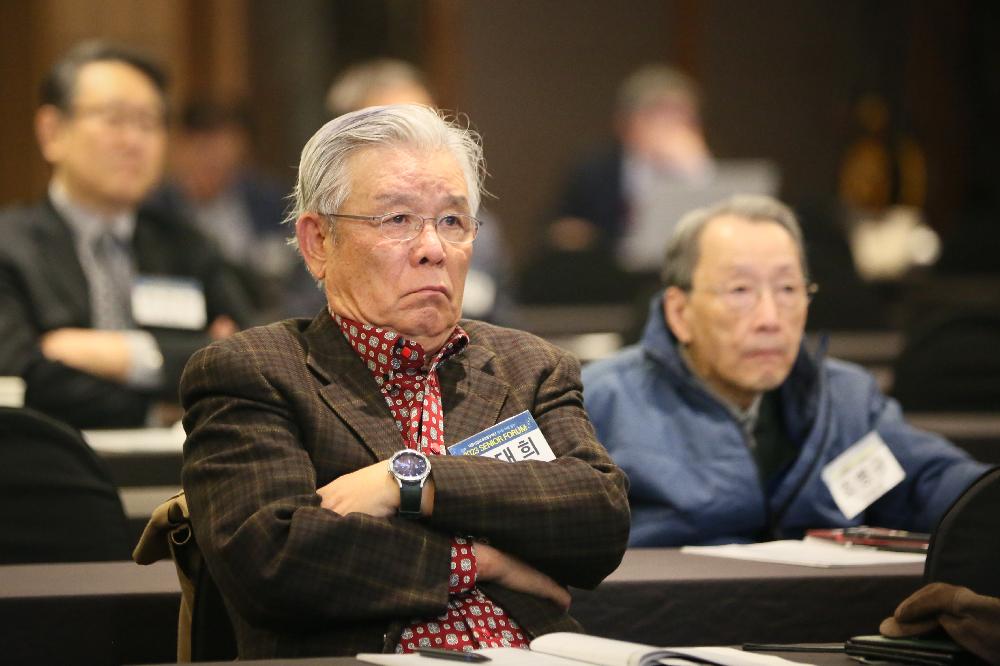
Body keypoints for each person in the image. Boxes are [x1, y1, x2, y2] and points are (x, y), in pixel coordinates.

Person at [180, 104, 630, 658]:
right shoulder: (256, 371)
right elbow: (273, 559)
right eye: (397, 220)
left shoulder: (528, 366)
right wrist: (478, 561)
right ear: (318, 242)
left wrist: (412, 482)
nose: (433, 249)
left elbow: (598, 517)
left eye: (452, 221)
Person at [582, 194, 988, 547]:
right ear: (679, 312)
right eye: (740, 290)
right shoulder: (600, 402)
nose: (770, 319)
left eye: (788, 289)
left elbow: (936, 482)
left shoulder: (845, 400)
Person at [0, 41, 252, 429]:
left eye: (148, 123)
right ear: (52, 132)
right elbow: (22, 375)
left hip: (181, 457)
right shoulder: (10, 245)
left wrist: (127, 355)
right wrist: (158, 408)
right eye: (114, 120)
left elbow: (248, 353)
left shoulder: (186, 244)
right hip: (49, 455)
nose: (134, 142)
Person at [325, 59, 512, 323]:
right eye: (397, 219)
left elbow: (506, 324)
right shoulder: (325, 227)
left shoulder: (481, 233)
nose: (433, 249)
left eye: (427, 124)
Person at [147, 100, 294, 322]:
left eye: (221, 154)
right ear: (178, 150)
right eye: (202, 151)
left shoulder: (270, 201)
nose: (211, 162)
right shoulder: (155, 213)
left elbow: (298, 275)